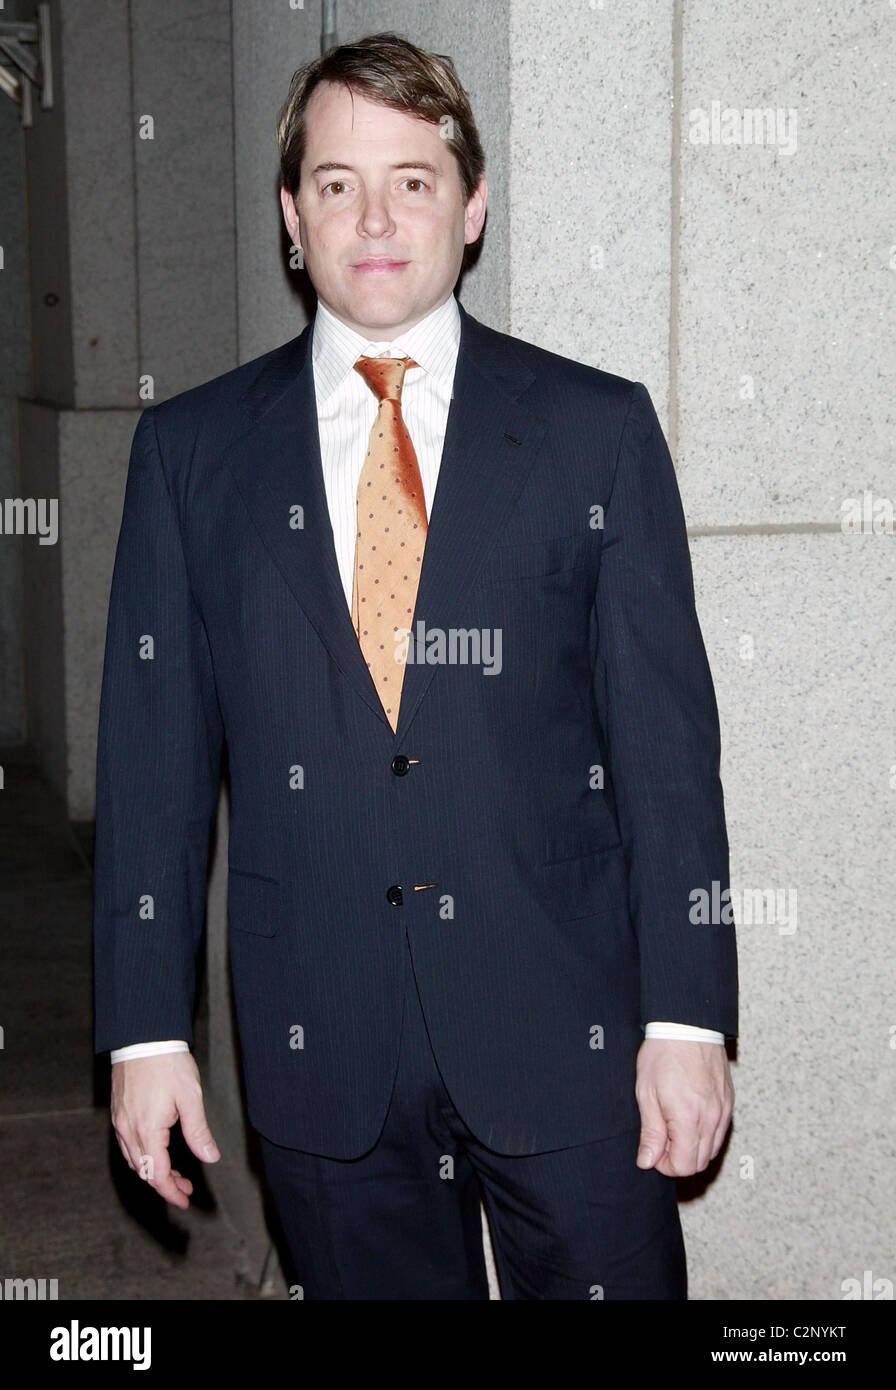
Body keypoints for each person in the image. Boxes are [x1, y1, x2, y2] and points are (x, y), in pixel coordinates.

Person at [94, 31, 737, 1300]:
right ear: (292, 216)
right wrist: (145, 1028)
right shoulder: (192, 454)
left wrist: (686, 1017)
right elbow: (153, 764)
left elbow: (667, 754)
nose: (375, 217)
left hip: (574, 1031)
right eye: (336, 183)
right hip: (320, 1036)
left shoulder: (593, 433)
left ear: (473, 204)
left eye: (414, 179)